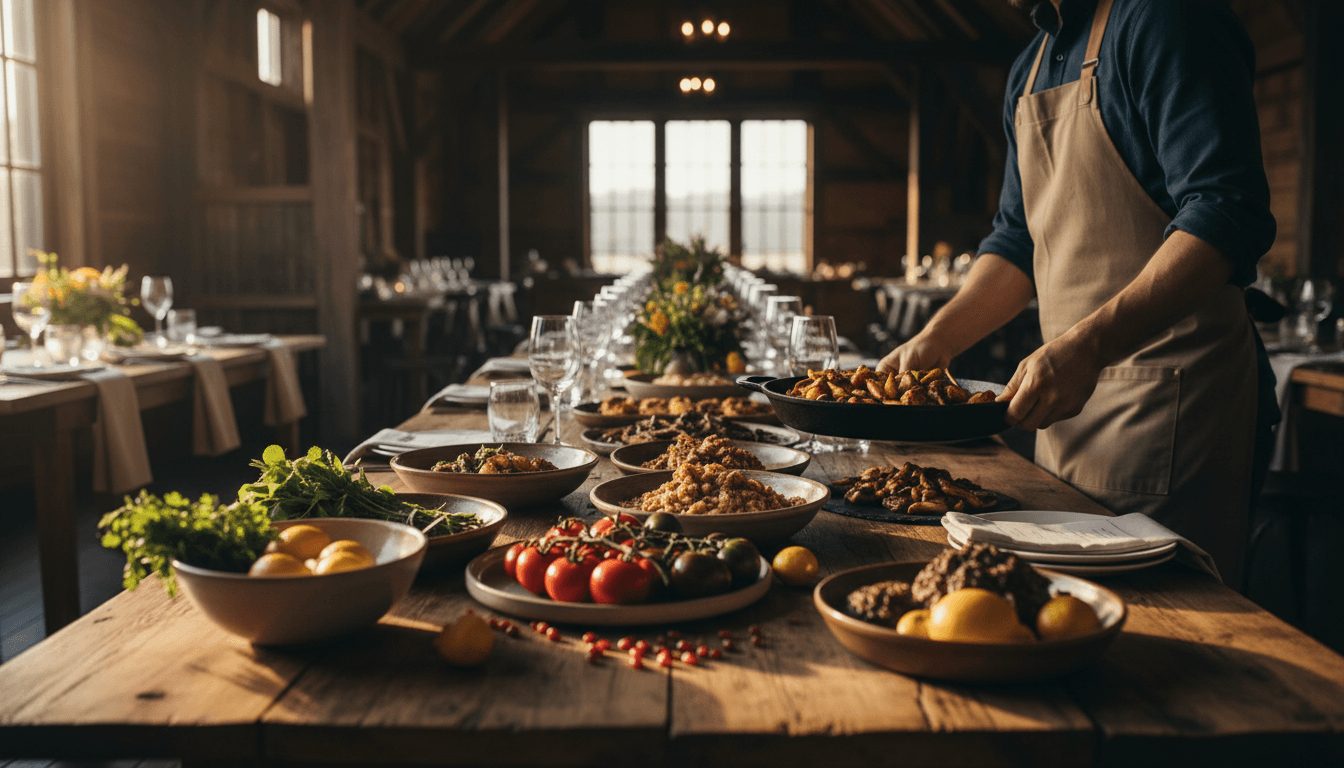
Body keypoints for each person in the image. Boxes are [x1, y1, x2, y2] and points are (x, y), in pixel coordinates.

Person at [879, 0, 1278, 586]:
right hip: (1065, 405)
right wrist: (938, 339)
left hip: (1174, 404)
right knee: (1060, 602)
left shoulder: (1166, 20)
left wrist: (1089, 347)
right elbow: (1017, 241)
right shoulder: (1029, 67)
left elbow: (1226, 212)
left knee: (1168, 613)